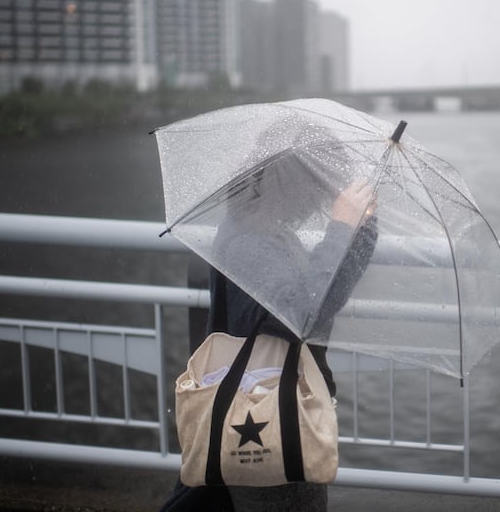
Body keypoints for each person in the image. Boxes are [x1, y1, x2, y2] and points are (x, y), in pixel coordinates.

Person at [161, 132, 378, 512]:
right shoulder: (250, 242)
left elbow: (320, 299)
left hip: (275, 402)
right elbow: (301, 314)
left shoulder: (265, 229)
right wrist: (341, 228)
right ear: (293, 182)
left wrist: (361, 232)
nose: (322, 196)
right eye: (318, 182)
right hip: (267, 413)